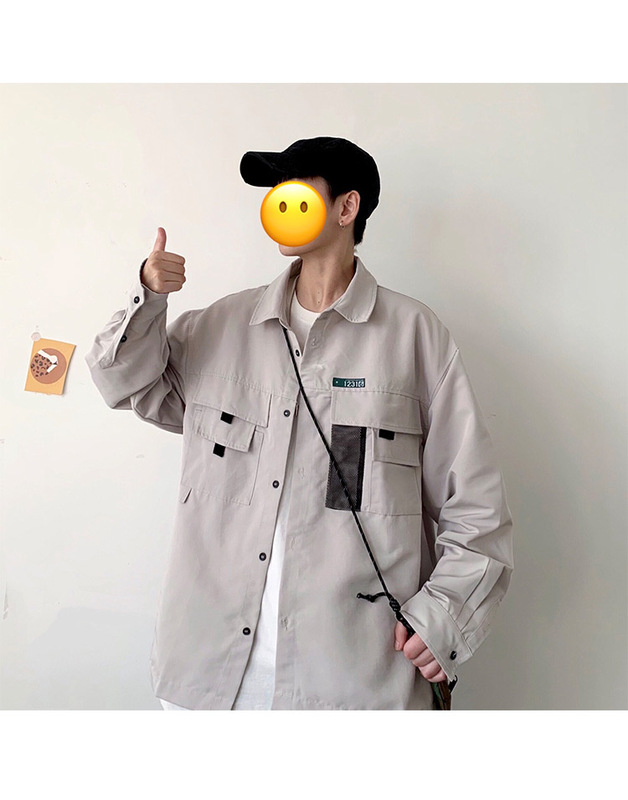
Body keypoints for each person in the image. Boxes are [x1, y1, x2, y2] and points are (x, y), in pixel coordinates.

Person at [85, 136, 513, 711]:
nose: (279, 202)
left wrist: (446, 619)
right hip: (209, 678)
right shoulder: (220, 327)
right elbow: (124, 384)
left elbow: (477, 510)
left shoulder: (416, 338)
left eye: (296, 188)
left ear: (346, 207)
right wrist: (147, 298)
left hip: (355, 684)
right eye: (275, 191)